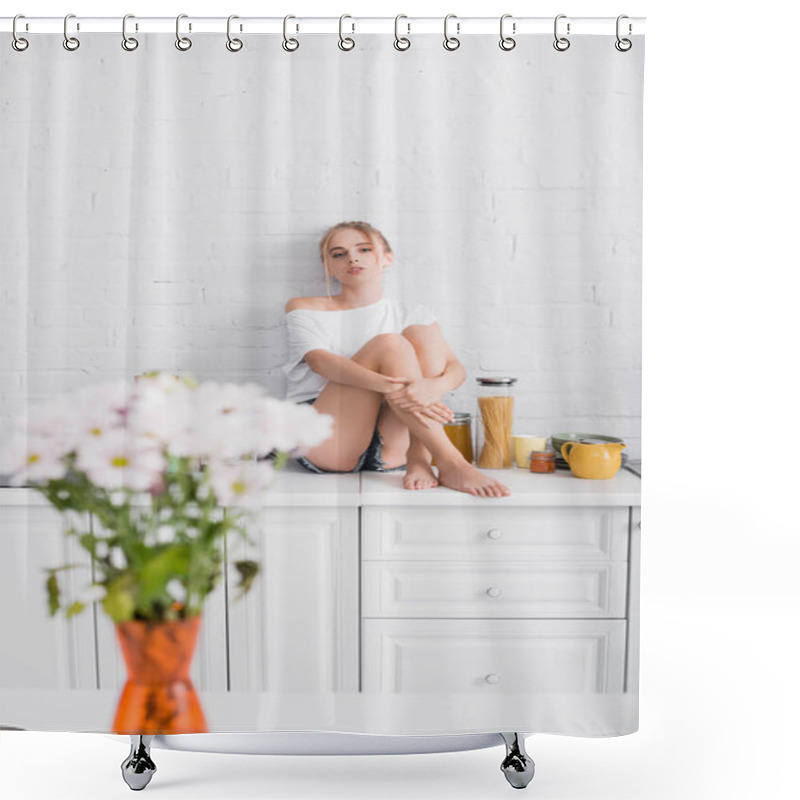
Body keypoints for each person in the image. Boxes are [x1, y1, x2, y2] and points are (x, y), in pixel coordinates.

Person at [282, 221, 511, 498]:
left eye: (364, 249)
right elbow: (321, 362)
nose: (352, 258)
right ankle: (452, 462)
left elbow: (455, 370)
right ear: (328, 267)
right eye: (338, 254)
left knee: (418, 333)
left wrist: (431, 388)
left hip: (393, 444)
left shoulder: (410, 312)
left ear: (387, 258)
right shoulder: (304, 307)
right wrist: (394, 387)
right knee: (390, 344)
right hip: (327, 438)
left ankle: (420, 458)